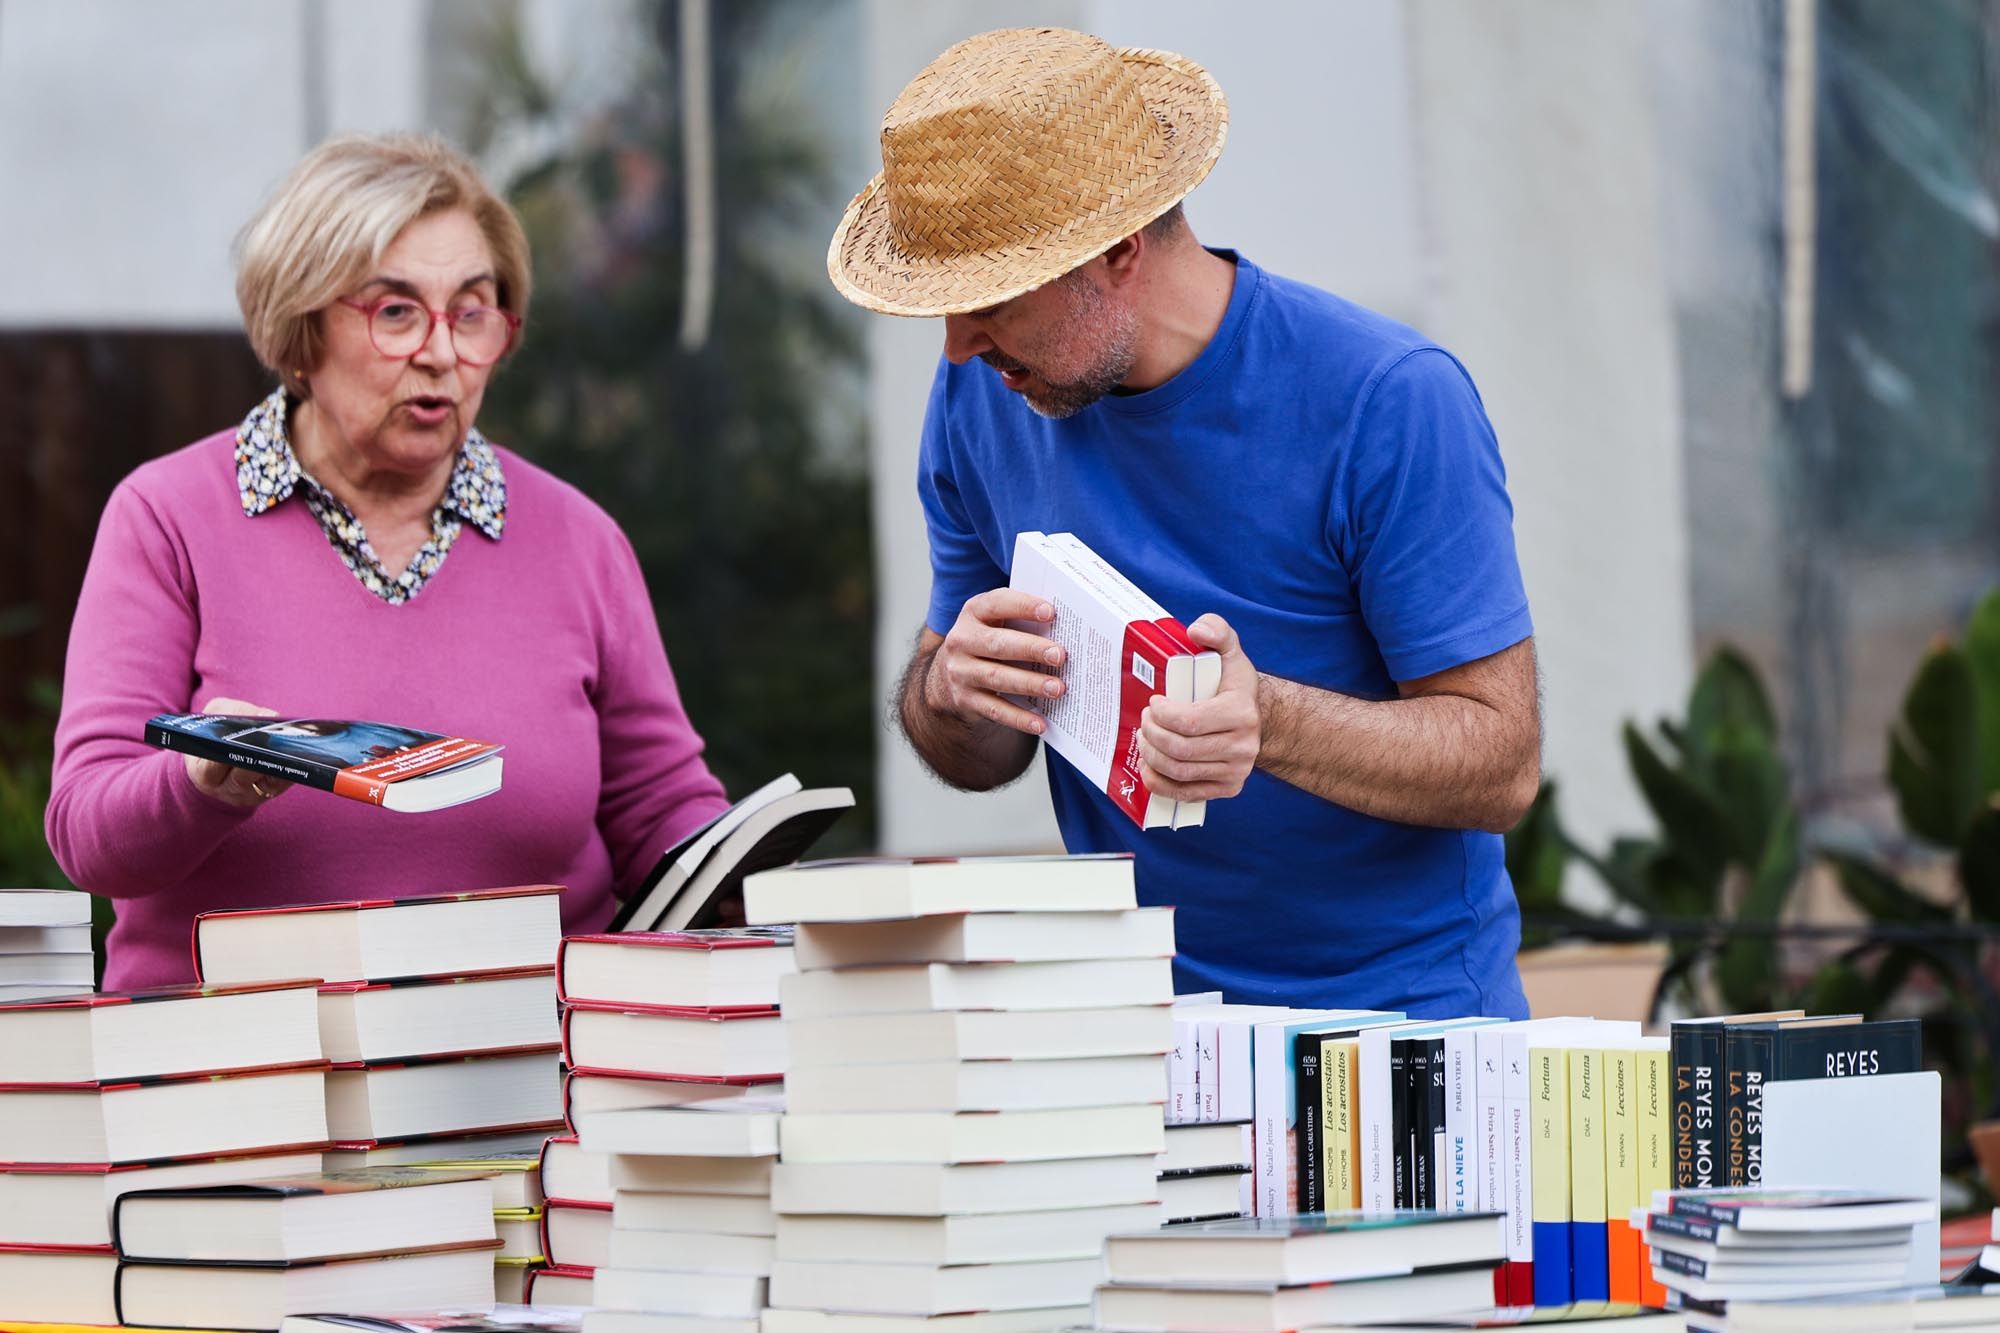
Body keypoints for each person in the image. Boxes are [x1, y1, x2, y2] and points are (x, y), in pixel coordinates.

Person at [829, 28, 1540, 1018]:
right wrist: (949, 691)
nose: (954, 346)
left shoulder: (1384, 400)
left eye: (986, 299)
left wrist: (1269, 722)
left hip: (1401, 1032)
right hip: (1141, 1033)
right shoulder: (979, 399)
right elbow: (979, 757)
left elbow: (1498, 764)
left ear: (1115, 248)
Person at [46, 133, 728, 990]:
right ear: (301, 331)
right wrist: (201, 782)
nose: (442, 352)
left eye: (472, 311)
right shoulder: (167, 519)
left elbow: (662, 809)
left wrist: (744, 867)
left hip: (530, 1078)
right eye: (397, 312)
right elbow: (86, 829)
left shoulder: (579, 539)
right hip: (235, 1084)